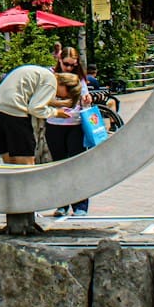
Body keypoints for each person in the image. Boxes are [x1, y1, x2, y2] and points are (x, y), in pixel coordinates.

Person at [0, 64, 62, 165]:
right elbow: (35, 108)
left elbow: (33, 101)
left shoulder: (38, 72)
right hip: (14, 110)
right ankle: (27, 180)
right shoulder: (51, 80)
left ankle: (11, 180)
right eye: (64, 96)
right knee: (26, 162)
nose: (57, 96)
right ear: (65, 85)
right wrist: (56, 112)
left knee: (9, 162)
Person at [45, 67, 92, 216]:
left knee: (76, 165)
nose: (69, 67)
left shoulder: (79, 81)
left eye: (73, 64)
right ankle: (62, 204)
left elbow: (86, 104)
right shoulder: (52, 81)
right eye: (66, 63)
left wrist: (87, 101)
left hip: (75, 126)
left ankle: (80, 206)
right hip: (54, 125)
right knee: (58, 165)